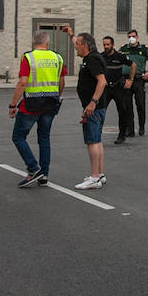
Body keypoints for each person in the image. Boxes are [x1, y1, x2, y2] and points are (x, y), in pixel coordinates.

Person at [9, 31, 67, 188]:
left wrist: (13, 104)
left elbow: (22, 83)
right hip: (50, 103)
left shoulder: (28, 57)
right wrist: (56, 96)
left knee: (18, 137)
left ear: (33, 43)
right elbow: (61, 81)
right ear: (47, 43)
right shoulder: (57, 57)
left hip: (32, 105)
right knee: (44, 138)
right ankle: (44, 175)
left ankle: (33, 168)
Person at [58, 26, 108, 189]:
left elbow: (102, 81)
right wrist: (70, 33)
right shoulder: (92, 57)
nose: (75, 47)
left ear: (85, 45)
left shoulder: (92, 60)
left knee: (92, 141)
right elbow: (75, 40)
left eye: (78, 44)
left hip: (93, 107)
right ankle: (99, 174)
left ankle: (94, 178)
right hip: (96, 106)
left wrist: (92, 102)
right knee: (97, 140)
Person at [120, 30, 148, 135]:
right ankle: (130, 129)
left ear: (137, 37)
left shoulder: (143, 49)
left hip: (139, 79)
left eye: (133, 36)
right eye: (129, 37)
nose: (131, 38)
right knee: (127, 105)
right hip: (127, 79)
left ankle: (141, 126)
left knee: (140, 104)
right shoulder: (124, 49)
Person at [100, 35, 135, 144]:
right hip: (106, 89)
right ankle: (97, 135)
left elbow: (133, 65)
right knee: (100, 111)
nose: (106, 47)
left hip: (118, 88)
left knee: (122, 111)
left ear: (112, 45)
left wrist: (130, 80)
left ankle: (122, 135)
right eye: (104, 45)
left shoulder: (120, 56)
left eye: (108, 44)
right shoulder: (101, 57)